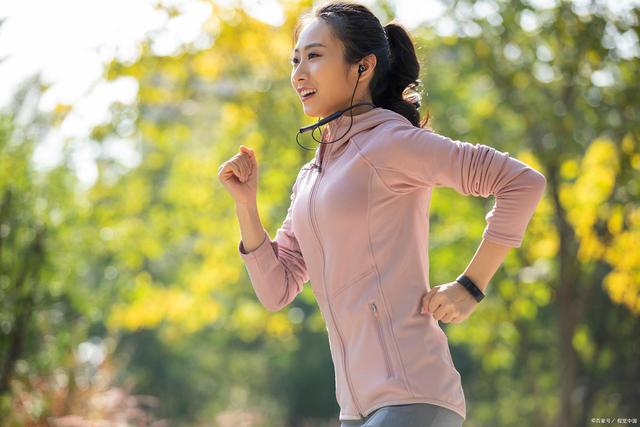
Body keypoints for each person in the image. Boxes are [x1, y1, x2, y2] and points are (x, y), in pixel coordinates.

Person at [217, 1, 547, 426]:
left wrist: (471, 285)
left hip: (414, 394)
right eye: (295, 60)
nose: (299, 74)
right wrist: (246, 205)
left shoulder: (392, 142)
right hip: (355, 410)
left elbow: (522, 183)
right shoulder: (312, 176)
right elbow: (276, 290)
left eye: (315, 56)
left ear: (363, 67)